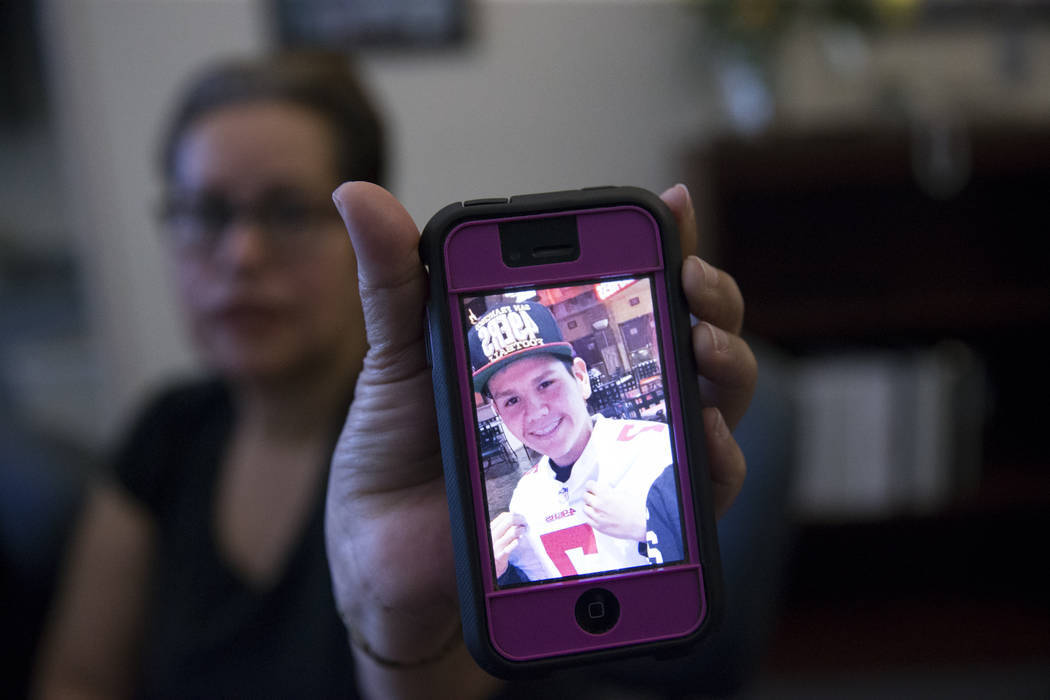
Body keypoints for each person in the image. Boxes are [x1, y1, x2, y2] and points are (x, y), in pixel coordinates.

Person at [35, 51, 757, 700]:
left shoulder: (430, 462)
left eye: (287, 211)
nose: (242, 254)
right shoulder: (167, 431)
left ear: (362, 239)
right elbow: (79, 678)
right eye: (207, 212)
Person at [471, 300, 676, 584]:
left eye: (545, 384)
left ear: (580, 377)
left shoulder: (660, 453)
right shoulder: (525, 499)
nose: (536, 413)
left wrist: (650, 525)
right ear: (498, 413)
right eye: (512, 400)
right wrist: (492, 573)